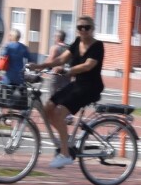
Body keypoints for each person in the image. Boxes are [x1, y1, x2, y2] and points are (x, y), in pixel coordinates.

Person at [39, 17, 104, 169]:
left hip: (90, 87)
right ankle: (66, 140)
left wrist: (70, 70)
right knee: (48, 107)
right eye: (80, 27)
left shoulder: (97, 46)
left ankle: (65, 154)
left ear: (92, 29)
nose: (83, 30)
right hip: (77, 84)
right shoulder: (76, 42)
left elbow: (88, 65)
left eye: (86, 27)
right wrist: (40, 65)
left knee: (60, 113)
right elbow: (61, 58)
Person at [45, 29, 71, 98]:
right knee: (65, 97)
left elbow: (50, 60)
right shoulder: (69, 48)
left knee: (52, 97)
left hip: (56, 75)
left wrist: (39, 68)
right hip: (66, 75)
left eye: (54, 36)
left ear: (58, 38)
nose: (54, 38)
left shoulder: (55, 48)